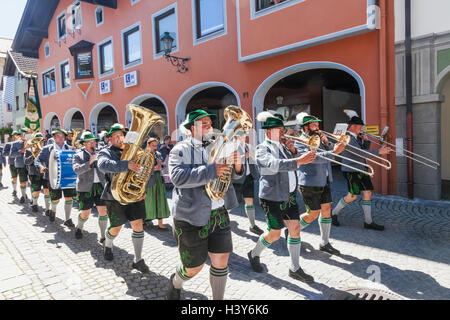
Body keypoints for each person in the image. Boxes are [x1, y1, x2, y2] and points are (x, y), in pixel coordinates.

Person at [165, 109, 243, 300]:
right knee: (193, 268)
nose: (210, 126)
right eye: (204, 123)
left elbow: (233, 175)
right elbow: (177, 178)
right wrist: (211, 170)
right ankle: (176, 282)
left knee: (221, 261)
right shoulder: (180, 149)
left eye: (210, 122)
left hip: (219, 212)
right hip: (191, 216)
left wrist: (238, 163)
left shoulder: (218, 146)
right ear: (193, 128)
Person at [247, 111, 317, 283]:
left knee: (295, 229)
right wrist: (299, 160)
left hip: (289, 196)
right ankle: (254, 253)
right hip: (272, 197)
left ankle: (295, 268)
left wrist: (293, 152)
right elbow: (274, 165)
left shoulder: (284, 146)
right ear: (269, 132)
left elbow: (289, 163)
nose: (283, 132)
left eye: (282, 129)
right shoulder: (262, 149)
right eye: (279, 129)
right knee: (274, 234)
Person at [97, 123, 150, 273]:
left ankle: (138, 259)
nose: (119, 138)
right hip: (115, 196)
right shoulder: (105, 152)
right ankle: (108, 244)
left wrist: (143, 189)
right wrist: (126, 165)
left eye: (121, 135)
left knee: (138, 225)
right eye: (115, 136)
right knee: (116, 227)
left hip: (134, 194)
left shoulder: (135, 152)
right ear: (110, 139)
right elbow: (103, 165)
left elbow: (144, 172)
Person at [291, 113, 345, 255]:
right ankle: (291, 231)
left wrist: (327, 144)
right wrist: (334, 151)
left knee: (326, 211)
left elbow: (329, 152)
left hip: (324, 179)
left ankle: (324, 242)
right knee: (313, 214)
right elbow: (314, 158)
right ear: (306, 127)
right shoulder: (300, 141)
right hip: (309, 182)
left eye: (317, 125)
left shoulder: (319, 139)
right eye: (314, 125)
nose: (317, 127)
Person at [331, 110, 390, 230]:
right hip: (351, 170)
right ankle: (333, 213)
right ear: (352, 127)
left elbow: (363, 150)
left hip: (361, 168)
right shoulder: (347, 137)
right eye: (359, 127)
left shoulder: (356, 137)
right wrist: (379, 151)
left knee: (367, 192)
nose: (361, 130)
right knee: (352, 195)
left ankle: (368, 222)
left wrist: (366, 141)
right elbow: (360, 153)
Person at [72, 131, 108, 242]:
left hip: (100, 186)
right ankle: (79, 227)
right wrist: (89, 163)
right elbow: (77, 170)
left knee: (103, 211)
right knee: (85, 213)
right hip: (85, 188)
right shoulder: (78, 155)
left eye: (94, 142)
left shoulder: (100, 153)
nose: (93, 144)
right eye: (90, 142)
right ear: (84, 144)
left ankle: (103, 236)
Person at [35, 128, 75, 226]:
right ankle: (53, 210)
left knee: (69, 198)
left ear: (65, 137)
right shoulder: (47, 148)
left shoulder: (70, 148)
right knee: (55, 199)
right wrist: (41, 167)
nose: (60, 138)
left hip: (67, 177)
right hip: (53, 178)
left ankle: (67, 219)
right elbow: (37, 160)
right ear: (54, 137)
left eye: (62, 136)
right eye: (58, 136)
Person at [232, 132, 264, 235]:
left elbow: (252, 161)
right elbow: (230, 160)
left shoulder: (247, 146)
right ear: (236, 136)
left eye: (244, 135)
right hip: (237, 179)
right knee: (231, 203)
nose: (244, 137)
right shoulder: (231, 147)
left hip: (248, 177)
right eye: (242, 135)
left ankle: (252, 225)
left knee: (249, 201)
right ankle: (223, 221)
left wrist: (252, 156)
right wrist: (244, 156)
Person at [144, 137, 170, 230]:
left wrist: (161, 165)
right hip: (149, 180)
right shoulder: (144, 155)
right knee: (149, 201)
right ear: (148, 145)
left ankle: (160, 224)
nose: (154, 147)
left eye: (156, 145)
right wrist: (153, 169)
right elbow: (141, 169)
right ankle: (145, 219)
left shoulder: (158, 153)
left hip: (159, 179)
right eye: (152, 145)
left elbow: (163, 165)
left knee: (160, 200)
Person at [25, 132, 46, 212]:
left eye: (41, 141)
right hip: (33, 172)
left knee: (46, 191)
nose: (40, 142)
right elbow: (26, 162)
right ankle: (34, 204)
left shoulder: (45, 149)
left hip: (44, 172)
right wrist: (33, 154)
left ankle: (47, 208)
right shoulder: (29, 150)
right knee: (35, 190)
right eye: (38, 140)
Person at [10, 128, 30, 204]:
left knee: (31, 182)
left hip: (31, 165)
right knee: (23, 182)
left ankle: (34, 201)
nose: (26, 135)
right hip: (20, 164)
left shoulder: (32, 142)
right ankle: (23, 196)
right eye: (24, 134)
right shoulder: (15, 143)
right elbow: (11, 154)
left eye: (27, 134)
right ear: (21, 135)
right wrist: (20, 151)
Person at [3, 131, 20, 196]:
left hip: (21, 163)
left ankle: (24, 193)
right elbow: (4, 153)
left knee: (23, 179)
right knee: (14, 178)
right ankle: (15, 190)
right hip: (12, 164)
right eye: (14, 135)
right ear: (12, 136)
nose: (15, 136)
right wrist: (12, 152)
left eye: (16, 135)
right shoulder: (8, 144)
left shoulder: (21, 143)